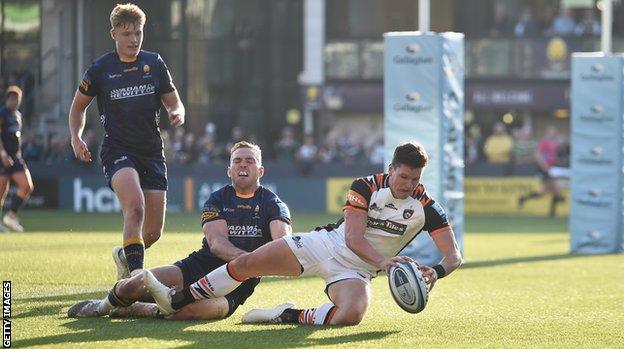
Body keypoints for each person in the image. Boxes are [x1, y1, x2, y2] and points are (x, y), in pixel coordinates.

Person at [144, 141, 462, 326]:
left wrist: (434, 272)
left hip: (358, 270)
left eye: (414, 178)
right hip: (322, 245)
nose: (408, 184)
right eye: (403, 176)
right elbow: (352, 239)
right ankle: (178, 299)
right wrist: (388, 262)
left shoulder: (427, 207)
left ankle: (287, 313)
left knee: (350, 315)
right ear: (391, 169)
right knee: (249, 263)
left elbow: (453, 256)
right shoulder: (366, 185)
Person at [67, 141, 292, 320]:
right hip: (200, 266)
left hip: (238, 283)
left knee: (188, 312)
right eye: (237, 161)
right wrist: (251, 260)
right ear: (229, 170)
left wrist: (250, 266)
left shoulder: (274, 204)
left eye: (249, 161)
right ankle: (101, 306)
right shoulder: (217, 199)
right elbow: (217, 244)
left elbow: (282, 245)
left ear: (260, 170)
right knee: (134, 286)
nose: (243, 165)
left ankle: (135, 309)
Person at [68, 4, 185, 279]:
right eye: (127, 34)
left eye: (138, 33)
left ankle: (125, 256)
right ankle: (134, 279)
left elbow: (174, 100)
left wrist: (177, 112)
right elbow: (77, 108)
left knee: (153, 232)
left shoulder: (154, 63)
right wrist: (75, 137)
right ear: (114, 34)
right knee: (135, 207)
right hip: (118, 150)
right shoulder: (100, 69)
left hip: (152, 152)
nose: (134, 39)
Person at [0, 86, 34, 232]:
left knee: (27, 186)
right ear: (7, 99)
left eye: (18, 99)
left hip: (16, 157)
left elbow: (16, 135)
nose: (15, 102)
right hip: (3, 157)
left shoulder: (18, 116)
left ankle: (11, 215)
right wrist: (3, 154)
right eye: (13, 99)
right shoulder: (2, 114)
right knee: (2, 190)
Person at [518, 126, 564, 217]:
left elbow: (552, 155)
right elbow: (537, 156)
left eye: (554, 133)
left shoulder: (553, 144)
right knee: (554, 190)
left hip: (550, 168)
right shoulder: (543, 142)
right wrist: (544, 166)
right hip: (544, 169)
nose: (553, 135)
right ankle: (553, 212)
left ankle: (523, 199)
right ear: (547, 133)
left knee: (546, 192)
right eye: (551, 133)